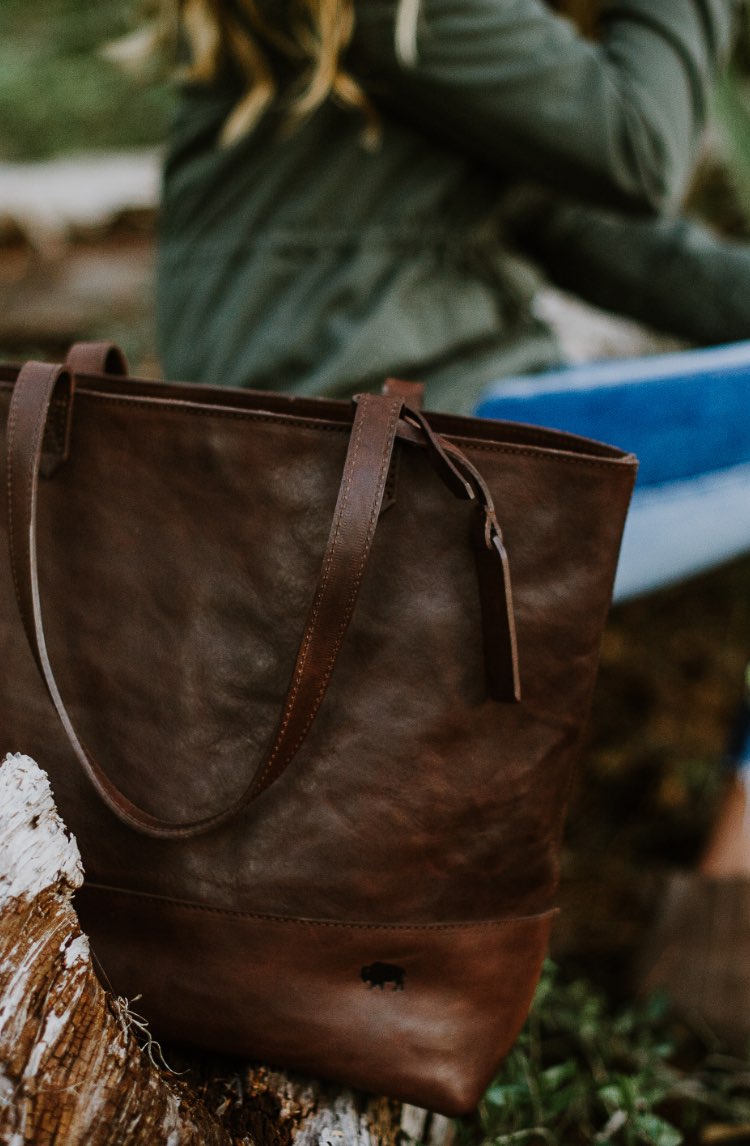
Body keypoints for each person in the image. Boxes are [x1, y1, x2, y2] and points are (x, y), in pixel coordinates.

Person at [154, 0, 750, 1040]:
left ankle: (721, 931)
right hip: (388, 473)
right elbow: (637, 149)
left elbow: (635, 246)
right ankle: (729, 937)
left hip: (356, 460)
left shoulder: (414, 49)